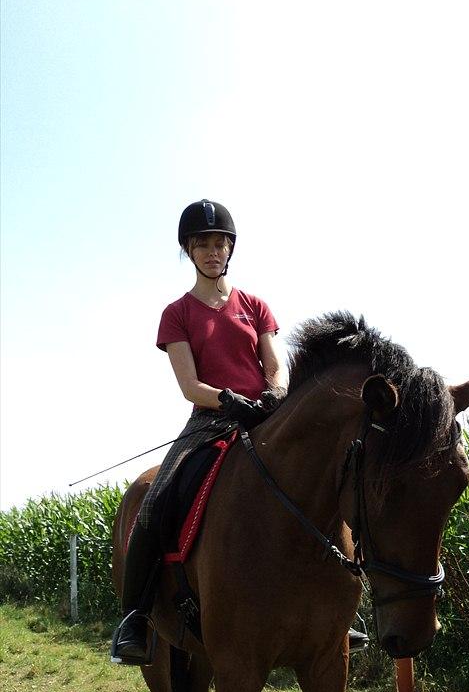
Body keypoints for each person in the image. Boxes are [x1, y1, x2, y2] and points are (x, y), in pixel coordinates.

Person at [111, 199, 368, 665]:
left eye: (220, 243)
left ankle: (339, 612)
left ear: (230, 249)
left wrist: (274, 394)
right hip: (210, 422)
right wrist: (228, 398)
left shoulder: (255, 306)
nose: (213, 251)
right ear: (189, 250)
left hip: (265, 416)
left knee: (325, 483)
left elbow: (275, 365)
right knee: (155, 503)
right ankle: (135, 616)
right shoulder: (177, 313)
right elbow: (190, 386)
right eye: (203, 244)